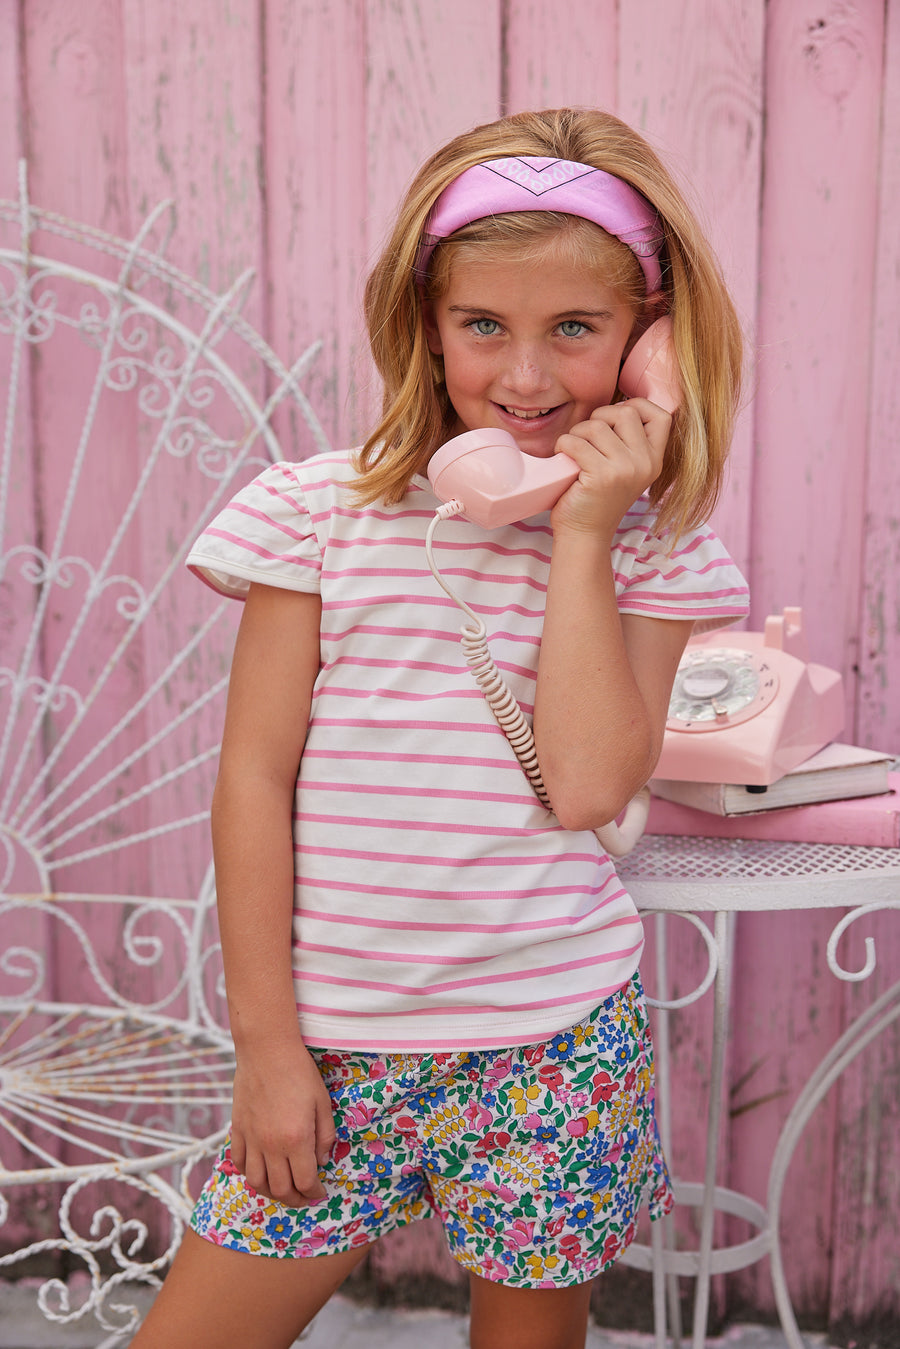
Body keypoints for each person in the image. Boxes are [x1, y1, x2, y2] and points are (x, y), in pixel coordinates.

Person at [133, 107, 748, 1349]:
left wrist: (584, 533)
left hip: (552, 1046)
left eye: (574, 328)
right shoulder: (322, 512)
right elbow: (252, 777)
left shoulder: (653, 547)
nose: (526, 378)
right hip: (332, 1047)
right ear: (427, 324)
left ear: (650, 349)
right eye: (485, 326)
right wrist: (266, 1047)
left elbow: (585, 789)